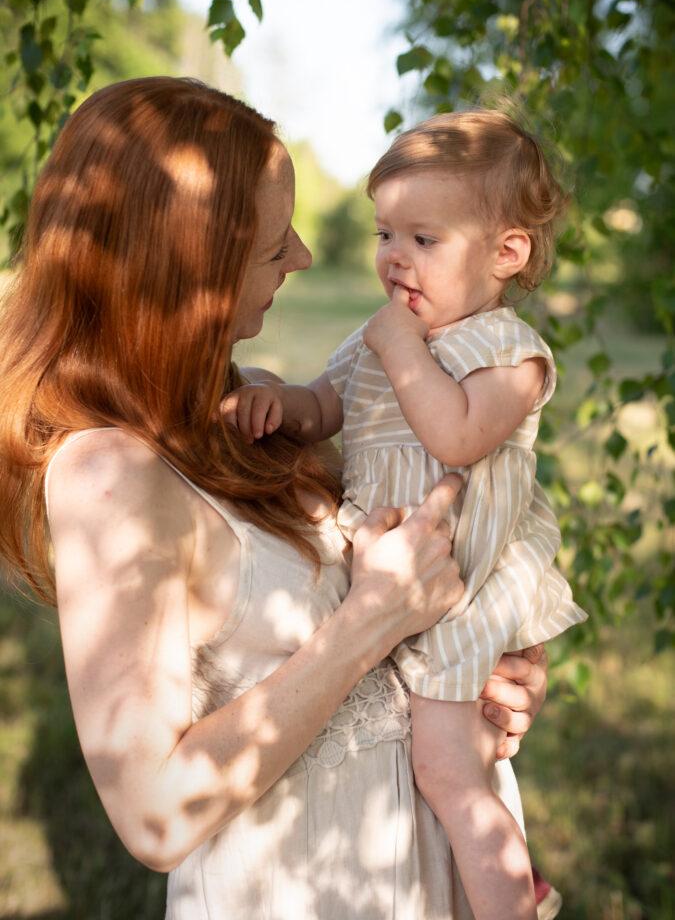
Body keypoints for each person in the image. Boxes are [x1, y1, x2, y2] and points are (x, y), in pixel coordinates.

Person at [0, 78, 551, 920]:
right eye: (268, 246)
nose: (300, 256)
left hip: (427, 864)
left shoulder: (249, 410)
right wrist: (374, 618)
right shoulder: (109, 476)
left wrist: (495, 669)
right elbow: (153, 816)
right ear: (184, 266)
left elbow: (431, 543)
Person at [223, 109, 587, 920]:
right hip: (397, 580)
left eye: (424, 239)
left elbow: (455, 437)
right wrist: (272, 402)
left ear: (506, 252)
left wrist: (399, 349)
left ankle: (512, 900)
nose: (395, 258)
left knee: (448, 771)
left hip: (461, 588)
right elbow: (323, 406)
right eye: (388, 234)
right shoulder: (382, 333)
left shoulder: (508, 353)